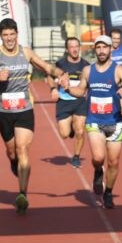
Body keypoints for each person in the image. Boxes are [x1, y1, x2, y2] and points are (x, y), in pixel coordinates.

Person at [0, 18, 69, 214]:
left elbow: (45, 66)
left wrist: (61, 73)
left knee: (22, 149)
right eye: (5, 35)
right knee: (12, 152)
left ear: (16, 34)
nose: (9, 38)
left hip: (24, 110)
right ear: (1, 36)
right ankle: (13, 162)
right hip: (4, 111)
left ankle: (22, 194)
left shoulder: (25, 52)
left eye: (12, 34)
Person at [70, 35, 122, 209]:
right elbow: (80, 91)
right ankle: (98, 171)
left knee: (113, 162)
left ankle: (108, 192)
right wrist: (67, 87)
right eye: (98, 48)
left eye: (104, 47)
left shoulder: (119, 70)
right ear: (94, 49)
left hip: (115, 121)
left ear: (110, 50)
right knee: (98, 158)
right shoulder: (87, 71)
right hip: (94, 121)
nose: (101, 51)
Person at [49, 36, 89, 168]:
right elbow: (49, 75)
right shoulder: (61, 64)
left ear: (79, 47)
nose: (74, 49)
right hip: (64, 102)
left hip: (80, 101)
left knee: (80, 130)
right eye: (71, 47)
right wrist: (53, 89)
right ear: (67, 49)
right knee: (65, 134)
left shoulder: (86, 65)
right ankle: (70, 129)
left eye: (76, 46)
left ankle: (76, 157)